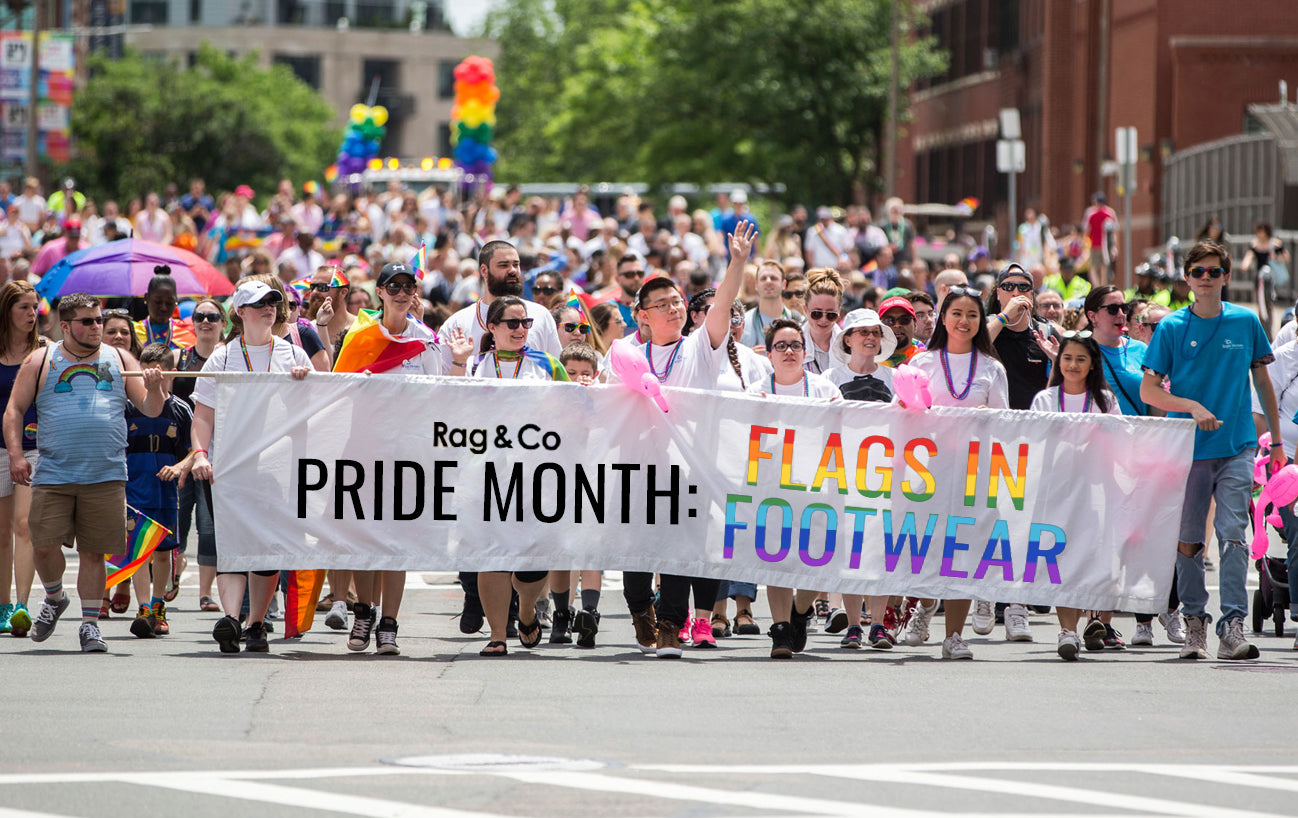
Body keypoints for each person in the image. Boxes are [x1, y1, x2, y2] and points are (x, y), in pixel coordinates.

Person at [618, 223, 758, 658]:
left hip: (688, 469)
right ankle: (641, 607)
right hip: (638, 468)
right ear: (641, 315)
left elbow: (721, 307)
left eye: (676, 301)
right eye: (660, 304)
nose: (673, 308)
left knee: (679, 546)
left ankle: (670, 627)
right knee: (637, 557)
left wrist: (736, 263)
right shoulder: (624, 352)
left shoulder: (699, 348)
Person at [1139, 240, 1283, 661]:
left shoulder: (1245, 322)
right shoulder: (1170, 328)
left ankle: (1232, 625)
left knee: (1233, 535)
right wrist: (1191, 407)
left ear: (1226, 276)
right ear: (1187, 278)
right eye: (1197, 272)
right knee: (1187, 541)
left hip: (1236, 446)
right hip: (1186, 449)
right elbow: (1150, 389)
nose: (1205, 279)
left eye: (1213, 272)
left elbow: (1263, 384)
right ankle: (1195, 623)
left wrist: (1274, 440)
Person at [3, 293, 165, 652]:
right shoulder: (41, 359)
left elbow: (151, 409)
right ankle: (56, 597)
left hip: (106, 473)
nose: (97, 327)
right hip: (53, 473)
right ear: (65, 325)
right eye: (87, 321)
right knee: (43, 547)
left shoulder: (119, 358)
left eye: (99, 320)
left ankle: (90, 625)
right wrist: (16, 455)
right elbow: (14, 410)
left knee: (94, 553)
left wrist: (155, 388)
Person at [337, 261, 473, 656]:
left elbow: (441, 393)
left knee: (396, 540)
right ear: (379, 291)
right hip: (364, 451)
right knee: (365, 538)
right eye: (392, 285)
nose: (401, 292)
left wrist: (460, 360)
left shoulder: (428, 340)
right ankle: (364, 611)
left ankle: (389, 625)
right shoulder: (360, 335)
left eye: (407, 286)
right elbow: (337, 388)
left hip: (409, 454)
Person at [189, 281, 313, 654]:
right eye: (258, 303)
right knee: (232, 545)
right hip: (230, 467)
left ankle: (256, 624)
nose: (268, 308)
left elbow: (313, 414)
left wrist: (302, 388)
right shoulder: (222, 357)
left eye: (273, 302)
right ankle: (231, 618)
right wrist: (199, 454)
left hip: (278, 467)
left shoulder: (294, 356)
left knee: (266, 547)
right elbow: (203, 416)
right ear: (240, 313)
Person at [902, 286, 1009, 659]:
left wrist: (986, 419)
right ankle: (925, 608)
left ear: (981, 322)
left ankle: (954, 635)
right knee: (929, 546)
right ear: (943, 318)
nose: (964, 321)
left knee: (962, 550)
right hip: (928, 472)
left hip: (973, 473)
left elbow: (1005, 423)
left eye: (972, 315)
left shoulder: (992, 368)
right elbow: (904, 420)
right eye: (957, 314)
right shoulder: (922, 363)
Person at [471, 295, 569, 656]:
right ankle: (497, 634)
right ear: (491, 327)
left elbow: (575, 408)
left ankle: (527, 610)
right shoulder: (474, 364)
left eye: (525, 323)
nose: (520, 330)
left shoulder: (548, 364)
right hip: (487, 472)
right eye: (512, 323)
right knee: (491, 553)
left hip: (536, 474)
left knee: (532, 561)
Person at [1027, 332, 1120, 659]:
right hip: (1056, 493)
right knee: (1062, 559)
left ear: (1093, 363)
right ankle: (1067, 631)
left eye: (1081, 359)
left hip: (1095, 493)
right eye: (1067, 358)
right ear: (1059, 361)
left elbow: (1119, 444)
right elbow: (1033, 444)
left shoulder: (1105, 401)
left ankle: (1093, 619)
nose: (1073, 365)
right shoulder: (1044, 399)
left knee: (1091, 558)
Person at [124, 343, 192, 639]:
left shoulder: (180, 409)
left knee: (163, 553)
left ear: (170, 374)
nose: (151, 379)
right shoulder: (127, 407)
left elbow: (194, 450)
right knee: (139, 551)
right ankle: (142, 610)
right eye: (145, 373)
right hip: (135, 487)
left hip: (166, 491)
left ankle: (158, 605)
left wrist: (180, 468)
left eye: (157, 373)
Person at [175, 298, 224, 612]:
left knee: (208, 528)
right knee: (177, 524)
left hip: (214, 453)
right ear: (192, 323)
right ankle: (170, 579)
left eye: (213, 316)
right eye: (200, 316)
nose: (206, 321)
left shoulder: (229, 359)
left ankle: (205, 593)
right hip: (179, 454)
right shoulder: (179, 359)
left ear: (223, 323)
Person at [0, 282, 41, 637]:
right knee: (1, 532)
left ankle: (23, 606)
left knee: (25, 524)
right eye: (24, 307)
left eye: (35, 307)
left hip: (35, 447)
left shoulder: (43, 351)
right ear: (7, 311)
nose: (32, 314)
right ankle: (2, 604)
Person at [440, 241, 562, 360]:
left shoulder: (541, 315)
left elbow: (557, 372)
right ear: (484, 270)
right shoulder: (457, 324)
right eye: (503, 265)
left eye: (516, 265)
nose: (513, 270)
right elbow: (441, 376)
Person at [741, 260, 800, 351]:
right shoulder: (743, 324)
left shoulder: (798, 321)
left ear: (783, 284)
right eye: (763, 278)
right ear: (756, 285)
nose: (768, 281)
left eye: (774, 278)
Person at [134, 269, 195, 351]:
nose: (163, 308)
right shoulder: (132, 333)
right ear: (147, 298)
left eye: (169, 303)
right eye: (158, 302)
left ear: (176, 301)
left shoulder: (188, 333)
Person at [800, 269, 843, 375]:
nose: (823, 319)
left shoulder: (850, 345)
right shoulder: (792, 345)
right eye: (816, 314)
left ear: (839, 311)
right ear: (805, 310)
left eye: (831, 315)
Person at [1083, 192, 1118, 287]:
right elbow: (1115, 232)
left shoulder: (1091, 213)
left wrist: (1085, 246)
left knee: (1093, 268)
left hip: (1094, 245)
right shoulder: (1110, 213)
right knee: (1105, 267)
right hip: (1107, 246)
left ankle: (1097, 286)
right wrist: (1115, 247)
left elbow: (1086, 230)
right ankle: (1103, 285)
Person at [878, 296, 924, 367]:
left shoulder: (927, 361)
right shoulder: (870, 361)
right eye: (889, 320)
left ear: (915, 325)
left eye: (904, 319)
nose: (897, 325)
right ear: (879, 328)